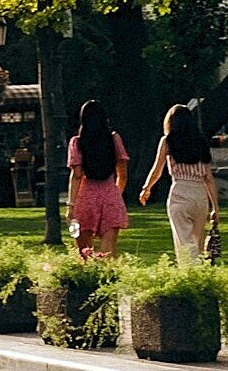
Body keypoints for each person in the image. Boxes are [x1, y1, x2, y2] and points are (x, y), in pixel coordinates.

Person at [139, 103, 219, 264]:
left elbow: (157, 169)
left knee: (184, 240)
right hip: (200, 195)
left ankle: (190, 274)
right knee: (196, 241)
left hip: (180, 192)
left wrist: (146, 188)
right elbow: (208, 178)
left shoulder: (168, 141)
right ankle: (199, 274)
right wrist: (215, 207)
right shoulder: (201, 143)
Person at [67, 99, 130, 256]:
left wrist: (70, 206)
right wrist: (116, 194)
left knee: (84, 253)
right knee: (108, 252)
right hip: (110, 194)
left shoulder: (77, 142)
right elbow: (122, 174)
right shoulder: (114, 139)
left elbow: (77, 175)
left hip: (85, 197)